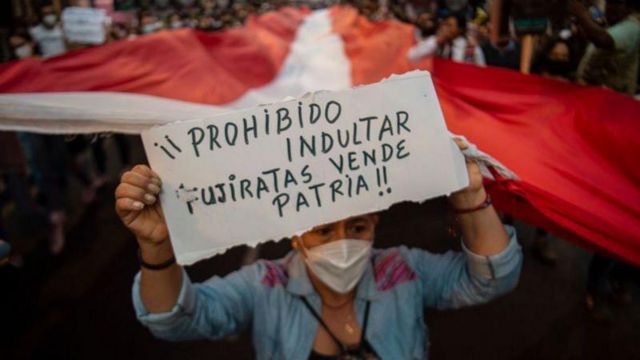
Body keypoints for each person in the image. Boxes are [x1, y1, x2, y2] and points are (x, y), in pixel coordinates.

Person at [116, 140, 522, 359]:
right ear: (295, 235)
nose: (342, 243)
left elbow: (492, 279)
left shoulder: (403, 270)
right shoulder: (264, 286)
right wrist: (157, 247)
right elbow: (175, 320)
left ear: (375, 224)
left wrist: (470, 194)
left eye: (357, 226)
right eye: (323, 230)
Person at [571, 0, 640, 95]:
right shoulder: (611, 26)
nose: (610, 8)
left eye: (617, 3)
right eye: (609, 2)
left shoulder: (633, 27)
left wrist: (581, 14)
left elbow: (603, 40)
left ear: (629, 8)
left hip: (613, 102)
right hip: (593, 96)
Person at [408, 13, 486, 66]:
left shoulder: (471, 48)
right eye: (444, 24)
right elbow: (412, 56)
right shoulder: (435, 42)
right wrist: (437, 41)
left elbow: (481, 71)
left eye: (449, 25)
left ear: (460, 29)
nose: (445, 28)